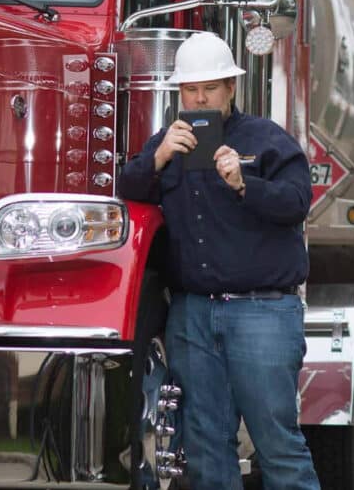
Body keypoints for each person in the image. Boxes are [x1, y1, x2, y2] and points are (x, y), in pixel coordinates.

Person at [118, 31, 320, 490]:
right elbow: (127, 191)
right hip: (192, 316)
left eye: (210, 87)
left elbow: (296, 203)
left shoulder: (268, 141)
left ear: (231, 87)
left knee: (278, 447)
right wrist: (159, 157)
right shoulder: (168, 143)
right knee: (206, 452)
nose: (200, 96)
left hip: (263, 312)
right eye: (191, 89)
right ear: (180, 93)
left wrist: (245, 183)